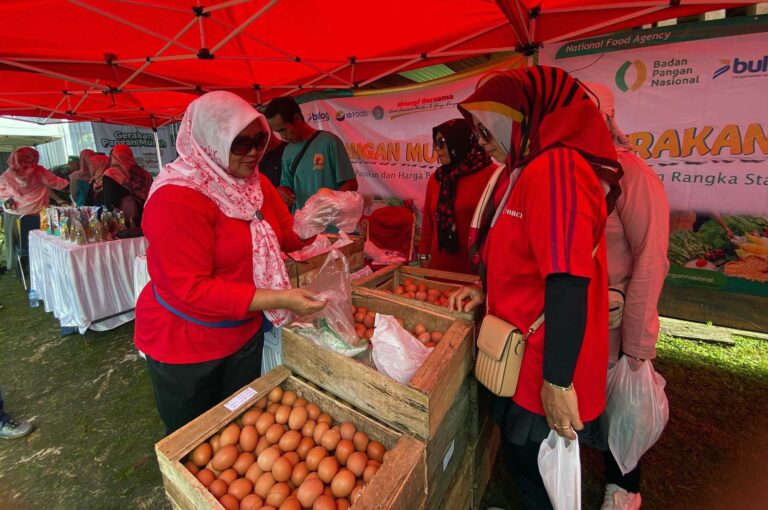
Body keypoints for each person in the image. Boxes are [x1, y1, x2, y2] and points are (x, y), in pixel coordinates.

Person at [449, 67, 622, 509]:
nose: (480, 138)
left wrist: (557, 381)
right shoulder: (521, 169)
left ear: (520, 117)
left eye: (487, 126)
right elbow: (526, 257)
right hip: (522, 354)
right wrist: (488, 293)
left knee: (537, 472)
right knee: (525, 464)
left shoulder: (557, 169)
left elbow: (567, 278)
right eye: (476, 128)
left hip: (544, 361)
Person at [134, 91, 327, 434]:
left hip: (242, 334)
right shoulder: (176, 198)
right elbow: (190, 289)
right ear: (211, 141)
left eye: (260, 140)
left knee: (239, 424)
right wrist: (279, 297)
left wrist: (316, 217)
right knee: (194, 437)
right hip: (187, 344)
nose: (254, 152)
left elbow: (285, 233)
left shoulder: (254, 183)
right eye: (240, 143)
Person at [588, 83, 670, 510]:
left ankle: (623, 487)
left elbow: (651, 261)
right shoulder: (570, 173)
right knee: (584, 402)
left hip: (617, 325)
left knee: (622, 410)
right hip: (577, 318)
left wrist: (637, 347)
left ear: (604, 118)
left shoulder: (633, 176)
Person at [418, 119, 497, 273]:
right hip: (439, 265)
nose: (437, 150)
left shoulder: (493, 175)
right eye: (435, 144)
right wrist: (423, 255)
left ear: (459, 142)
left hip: (475, 267)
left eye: (442, 143)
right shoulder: (437, 178)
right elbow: (428, 221)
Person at [264, 96, 358, 211]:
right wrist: (282, 191)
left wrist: (327, 203)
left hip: (331, 225)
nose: (282, 136)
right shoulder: (287, 151)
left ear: (297, 119)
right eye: (278, 132)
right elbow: (286, 185)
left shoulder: (329, 141)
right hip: (302, 225)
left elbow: (351, 184)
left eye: (284, 130)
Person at [0, 147, 68, 271]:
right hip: (40, 215)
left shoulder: (7, 175)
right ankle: (47, 264)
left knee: (20, 244)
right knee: (46, 241)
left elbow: (2, 195)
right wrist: (68, 181)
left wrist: (7, 201)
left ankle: (21, 266)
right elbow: (59, 184)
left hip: (16, 216)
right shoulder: (39, 171)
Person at [92, 144, 153, 226]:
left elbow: (110, 201)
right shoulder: (144, 173)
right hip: (148, 216)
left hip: (125, 221)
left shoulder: (111, 174)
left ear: (113, 157)